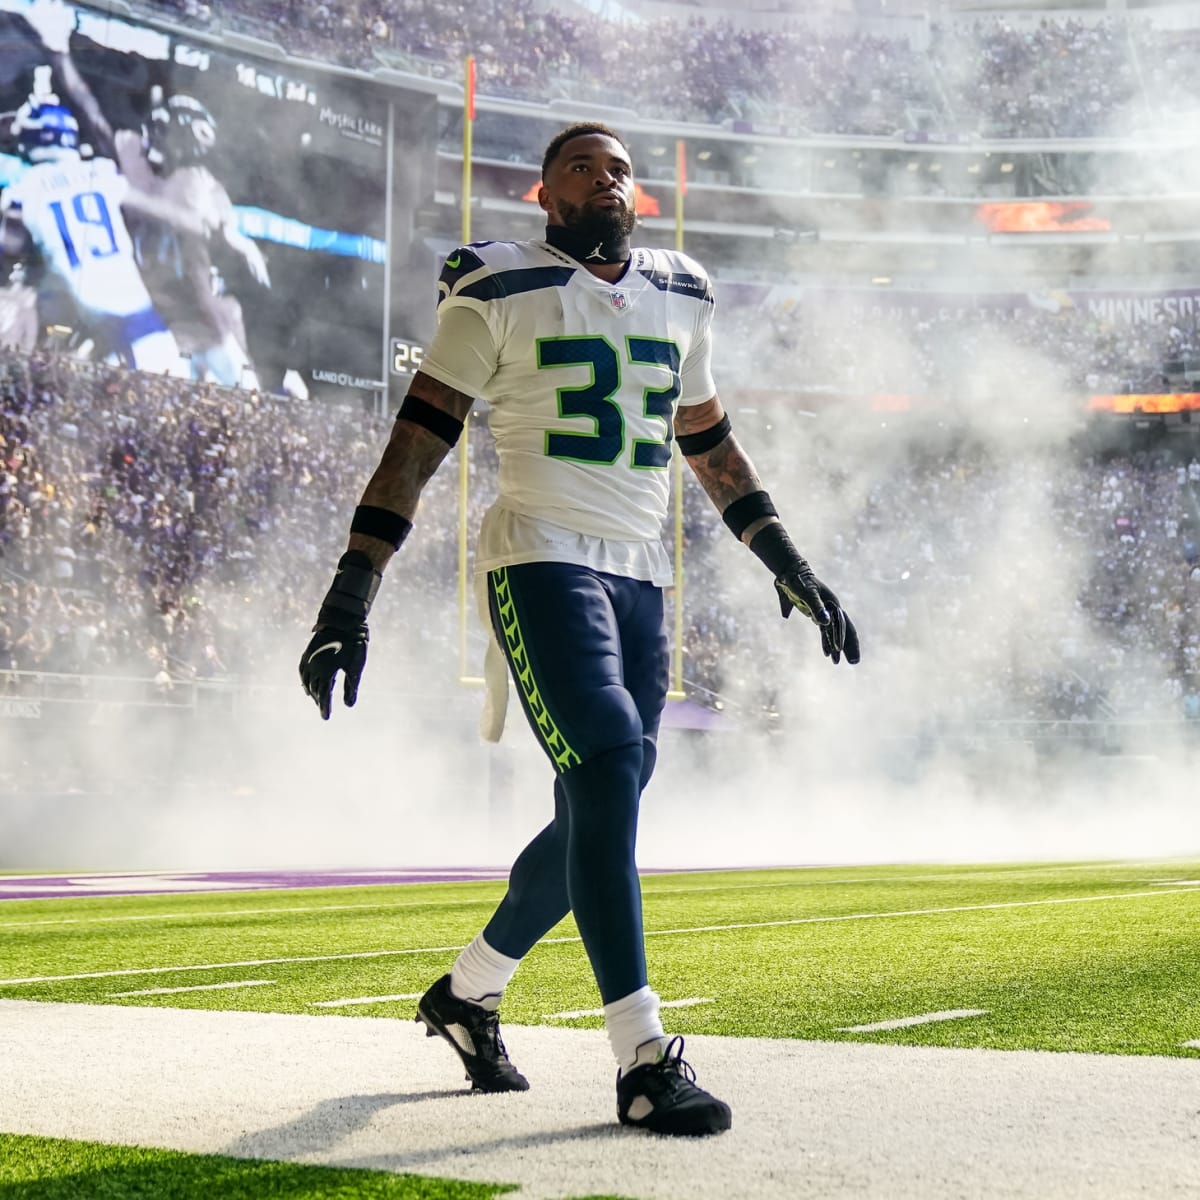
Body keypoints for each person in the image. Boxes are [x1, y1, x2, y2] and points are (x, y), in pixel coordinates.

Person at [300, 122, 859, 1137]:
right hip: (540, 553)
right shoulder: (495, 283)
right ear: (544, 195)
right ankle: (642, 1057)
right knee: (605, 768)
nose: (607, 177)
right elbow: (418, 441)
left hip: (641, 575)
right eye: (582, 167)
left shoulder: (682, 289)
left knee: (596, 808)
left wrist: (789, 562)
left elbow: (711, 442)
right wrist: (352, 589)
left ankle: (467, 992)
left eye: (621, 168)